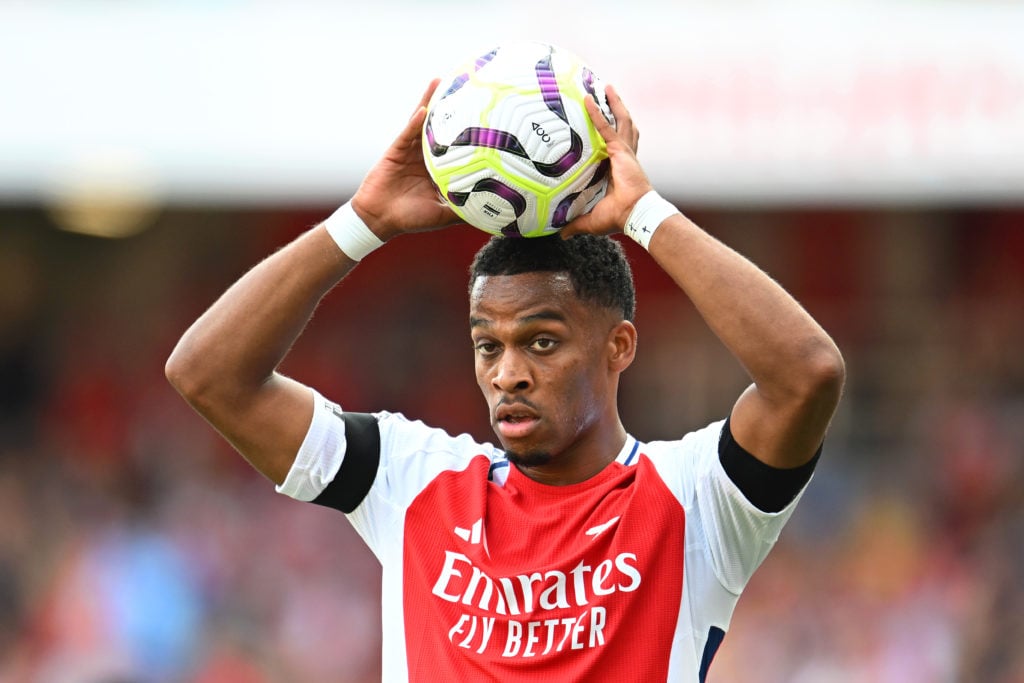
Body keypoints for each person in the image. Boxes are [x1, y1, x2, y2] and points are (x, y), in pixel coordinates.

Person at [166, 79, 845, 682]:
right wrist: (361, 224)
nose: (508, 372)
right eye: (487, 345)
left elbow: (807, 375)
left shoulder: (696, 502)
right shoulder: (411, 479)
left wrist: (645, 214)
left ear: (619, 345)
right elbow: (208, 373)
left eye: (541, 342)